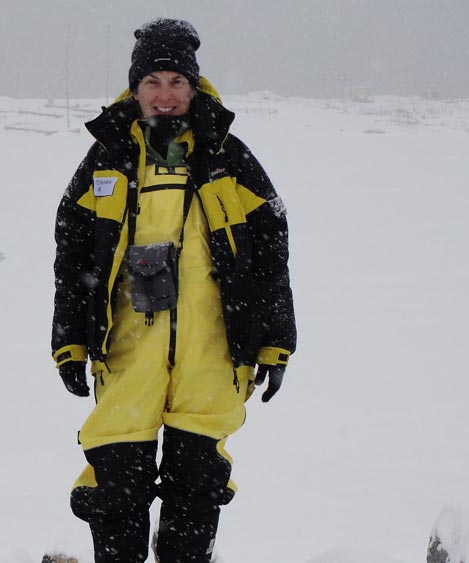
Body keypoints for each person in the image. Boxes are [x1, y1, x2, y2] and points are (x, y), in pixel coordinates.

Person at [51, 18, 296, 563]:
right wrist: (68, 340)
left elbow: (272, 258)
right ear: (134, 89)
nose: (164, 96)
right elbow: (71, 261)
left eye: (176, 82)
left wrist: (277, 342)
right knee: (115, 484)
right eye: (152, 82)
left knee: (197, 487)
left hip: (210, 356)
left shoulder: (229, 157)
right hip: (126, 355)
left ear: (194, 87)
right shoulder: (106, 159)